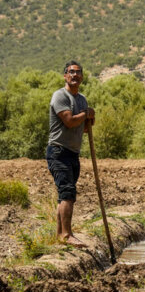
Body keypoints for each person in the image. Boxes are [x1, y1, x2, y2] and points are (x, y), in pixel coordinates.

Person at [46, 60, 95, 248]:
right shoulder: (60, 96)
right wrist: (86, 114)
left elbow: (83, 128)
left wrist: (91, 116)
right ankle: (67, 235)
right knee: (67, 193)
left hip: (73, 153)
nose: (75, 75)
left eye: (78, 72)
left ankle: (60, 235)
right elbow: (69, 121)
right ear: (65, 76)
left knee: (64, 194)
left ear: (82, 77)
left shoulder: (81, 99)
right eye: (71, 72)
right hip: (58, 151)